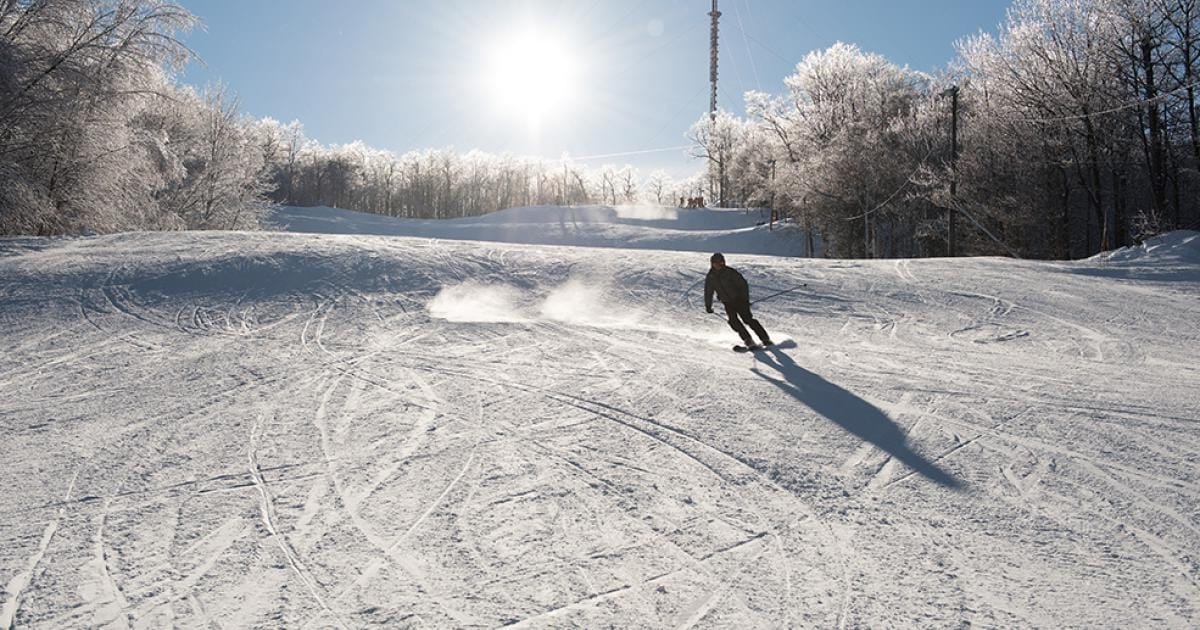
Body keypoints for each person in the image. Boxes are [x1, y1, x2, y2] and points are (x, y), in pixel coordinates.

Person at [704, 252, 773, 348]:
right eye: (715, 263)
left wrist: (744, 299)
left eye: (720, 263)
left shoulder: (730, 272)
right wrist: (708, 306)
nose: (718, 265)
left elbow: (743, 284)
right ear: (712, 263)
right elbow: (708, 291)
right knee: (733, 321)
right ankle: (748, 340)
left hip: (739, 300)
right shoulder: (711, 277)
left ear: (723, 262)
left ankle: (765, 338)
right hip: (727, 302)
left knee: (747, 319)